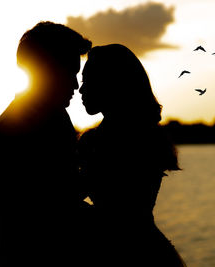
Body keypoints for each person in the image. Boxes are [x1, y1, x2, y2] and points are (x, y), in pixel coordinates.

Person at [0, 21, 92, 266]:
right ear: (47, 69)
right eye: (70, 73)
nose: (76, 85)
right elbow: (58, 204)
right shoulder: (26, 123)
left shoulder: (50, 116)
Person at [78, 44, 186, 266]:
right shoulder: (147, 135)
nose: (81, 89)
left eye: (88, 80)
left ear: (111, 83)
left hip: (128, 254)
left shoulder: (108, 141)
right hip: (149, 249)